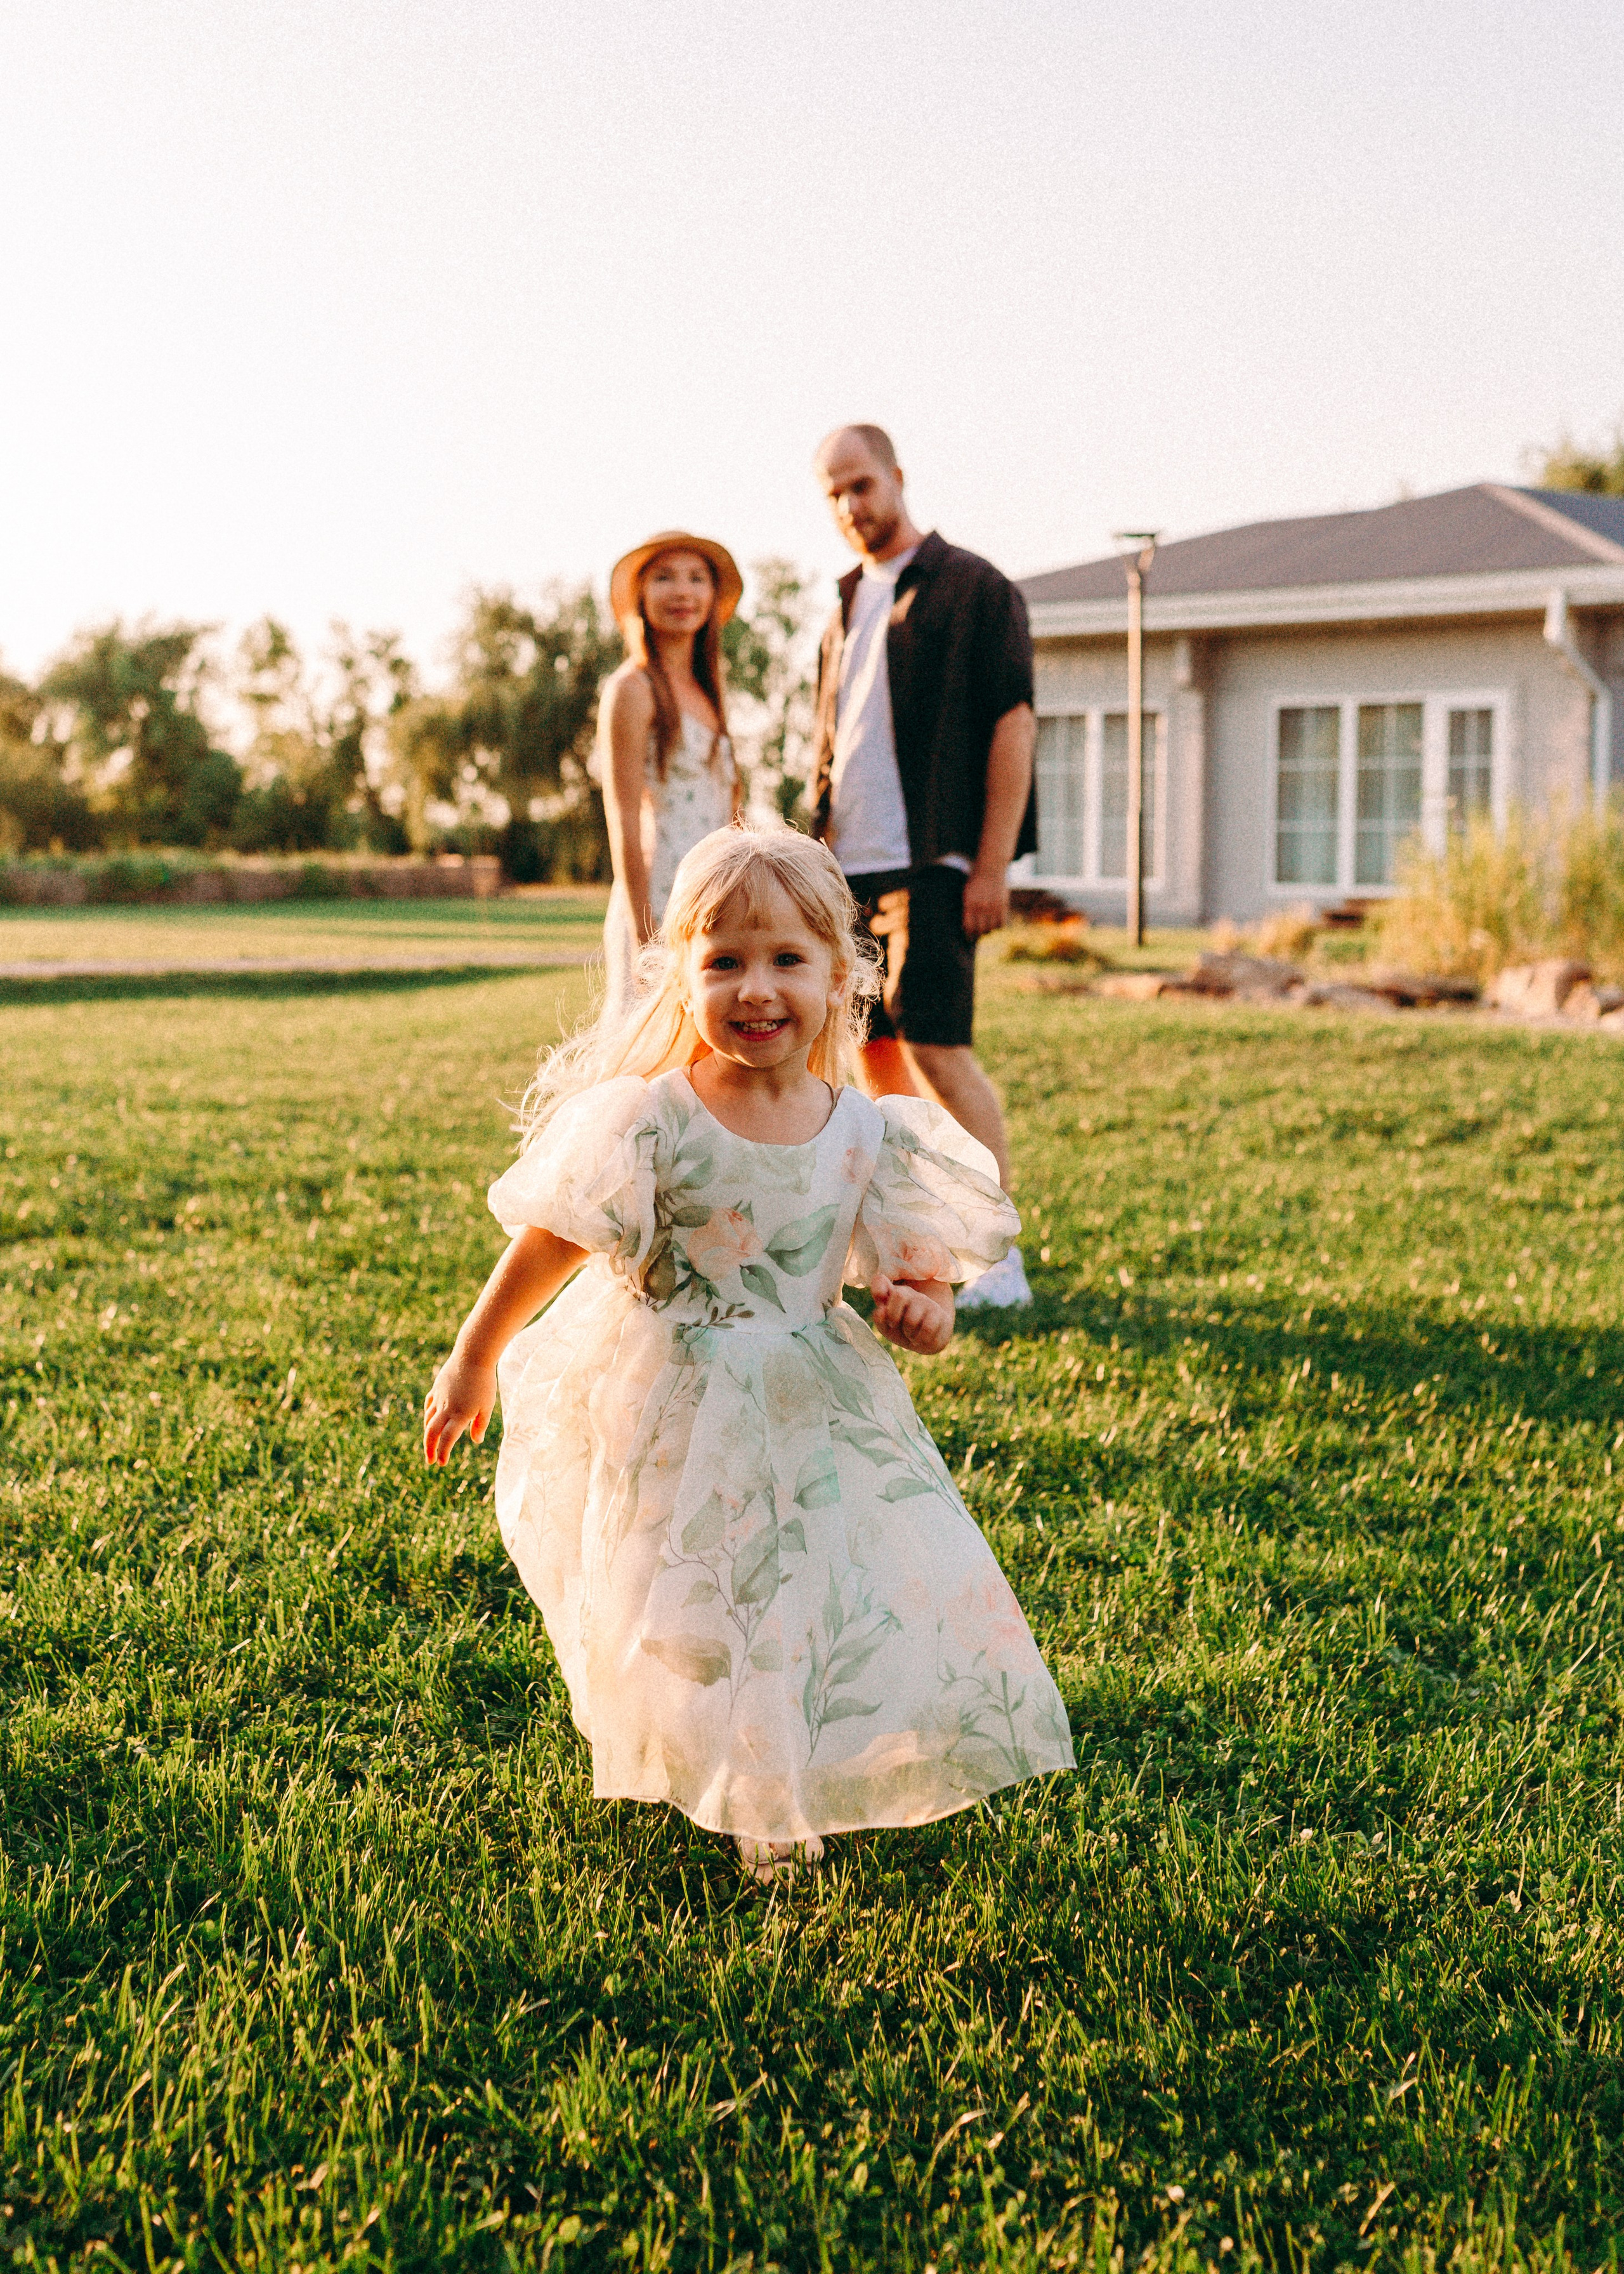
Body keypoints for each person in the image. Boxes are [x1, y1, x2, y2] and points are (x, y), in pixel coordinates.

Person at [422, 824, 1074, 1884]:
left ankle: (771, 1789)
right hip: (673, 1392)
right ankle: (715, 1747)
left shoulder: (865, 1132)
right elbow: (549, 1242)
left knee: (800, 1583)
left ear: (838, 974)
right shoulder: (655, 1121)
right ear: (683, 974)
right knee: (687, 1596)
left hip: (813, 1391)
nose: (755, 987)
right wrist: (474, 1356)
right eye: (723, 959)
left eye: (785, 959)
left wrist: (926, 1315)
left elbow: (922, 1282)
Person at [811, 424, 1038, 1308]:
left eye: (861, 485)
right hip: (848, 875)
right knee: (876, 1060)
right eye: (832, 494)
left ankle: (996, 1256)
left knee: (941, 1051)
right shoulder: (842, 601)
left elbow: (1012, 724)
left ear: (898, 477)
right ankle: (911, 1235)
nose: (850, 507)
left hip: (936, 864)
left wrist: (990, 864)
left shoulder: (974, 587)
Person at [597, 531, 742, 1020]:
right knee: (649, 1051)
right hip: (660, 895)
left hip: (716, 897)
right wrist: (643, 929)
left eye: (697, 578)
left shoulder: (710, 692)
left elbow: (731, 808)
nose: (683, 591)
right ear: (640, 595)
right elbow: (622, 816)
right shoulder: (632, 689)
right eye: (664, 578)